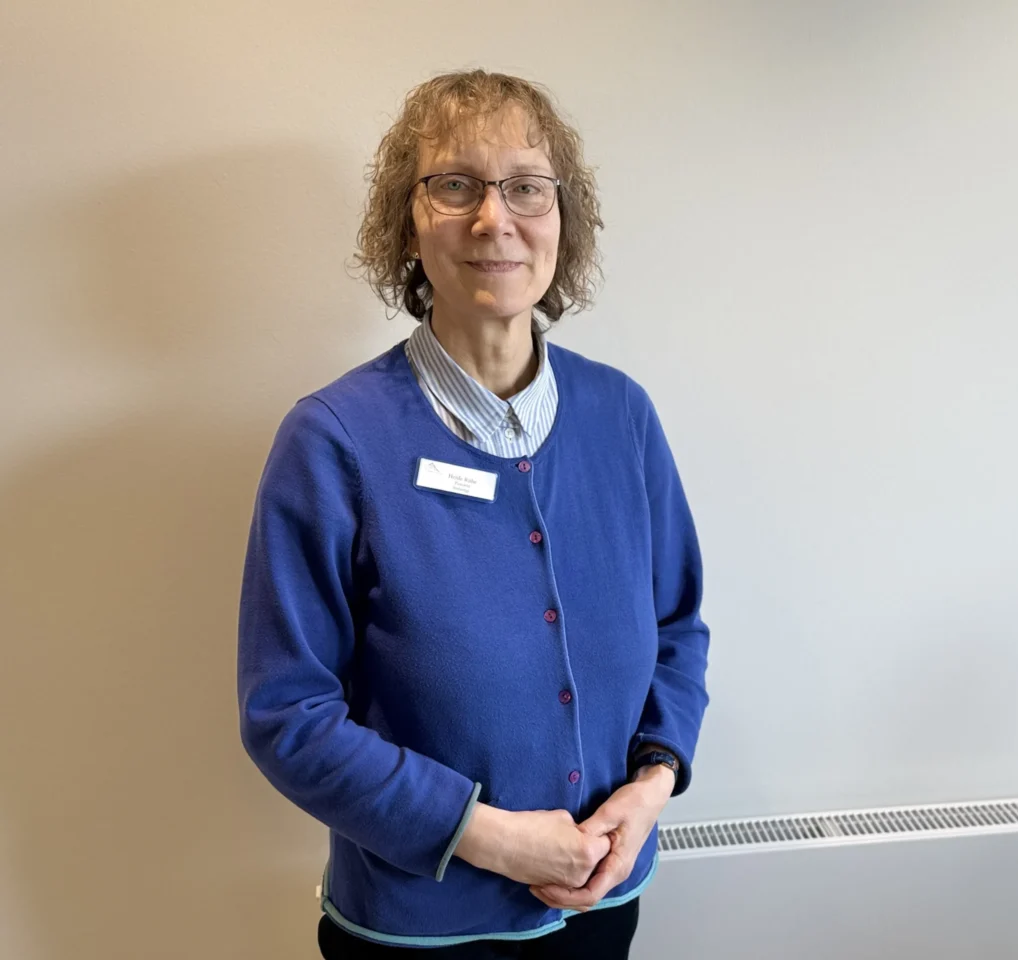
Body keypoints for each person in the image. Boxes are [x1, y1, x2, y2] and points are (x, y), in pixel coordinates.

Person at [236, 69, 711, 959]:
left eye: (526, 186)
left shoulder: (623, 416)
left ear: (563, 219)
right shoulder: (334, 440)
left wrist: (652, 784)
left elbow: (678, 628)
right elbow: (287, 714)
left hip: (604, 903)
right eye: (455, 185)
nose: (494, 219)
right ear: (407, 223)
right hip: (419, 932)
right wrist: (489, 836)